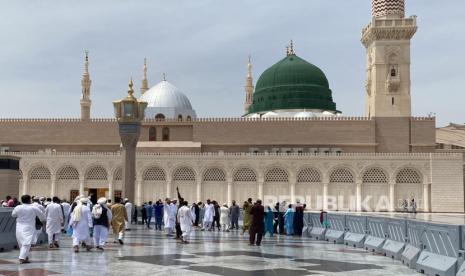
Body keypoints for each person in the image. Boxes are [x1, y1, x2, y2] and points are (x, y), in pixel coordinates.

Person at [12, 195, 46, 264]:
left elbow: (13, 215)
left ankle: (25, 257)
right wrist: (43, 221)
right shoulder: (33, 208)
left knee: (21, 242)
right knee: (27, 243)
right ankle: (22, 258)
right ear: (29, 200)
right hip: (29, 227)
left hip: (19, 226)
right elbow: (42, 215)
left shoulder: (18, 207)